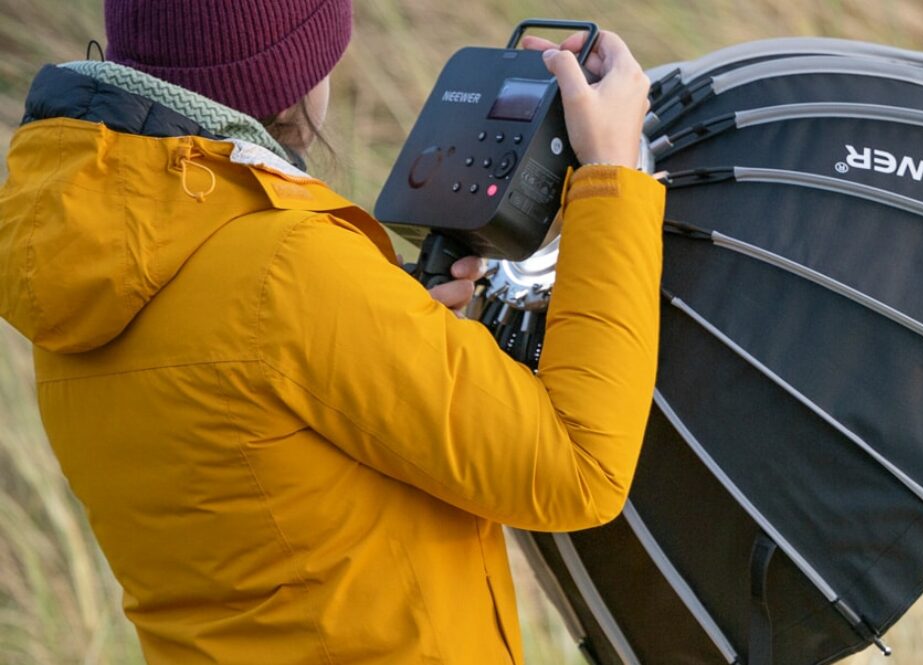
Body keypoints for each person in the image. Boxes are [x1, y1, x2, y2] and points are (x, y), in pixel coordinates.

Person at [0, 1, 663, 664]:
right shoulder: (289, 268)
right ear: (293, 66)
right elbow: (578, 467)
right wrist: (612, 174)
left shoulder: (84, 255)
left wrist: (385, 316)